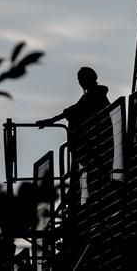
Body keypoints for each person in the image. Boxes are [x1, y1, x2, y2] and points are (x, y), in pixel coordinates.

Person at [36, 67, 115, 201]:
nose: (80, 82)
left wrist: (51, 120)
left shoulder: (95, 95)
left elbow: (74, 111)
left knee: (96, 176)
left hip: (97, 144)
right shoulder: (93, 95)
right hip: (95, 145)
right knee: (93, 175)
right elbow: (73, 111)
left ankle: (92, 200)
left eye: (81, 79)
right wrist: (51, 120)